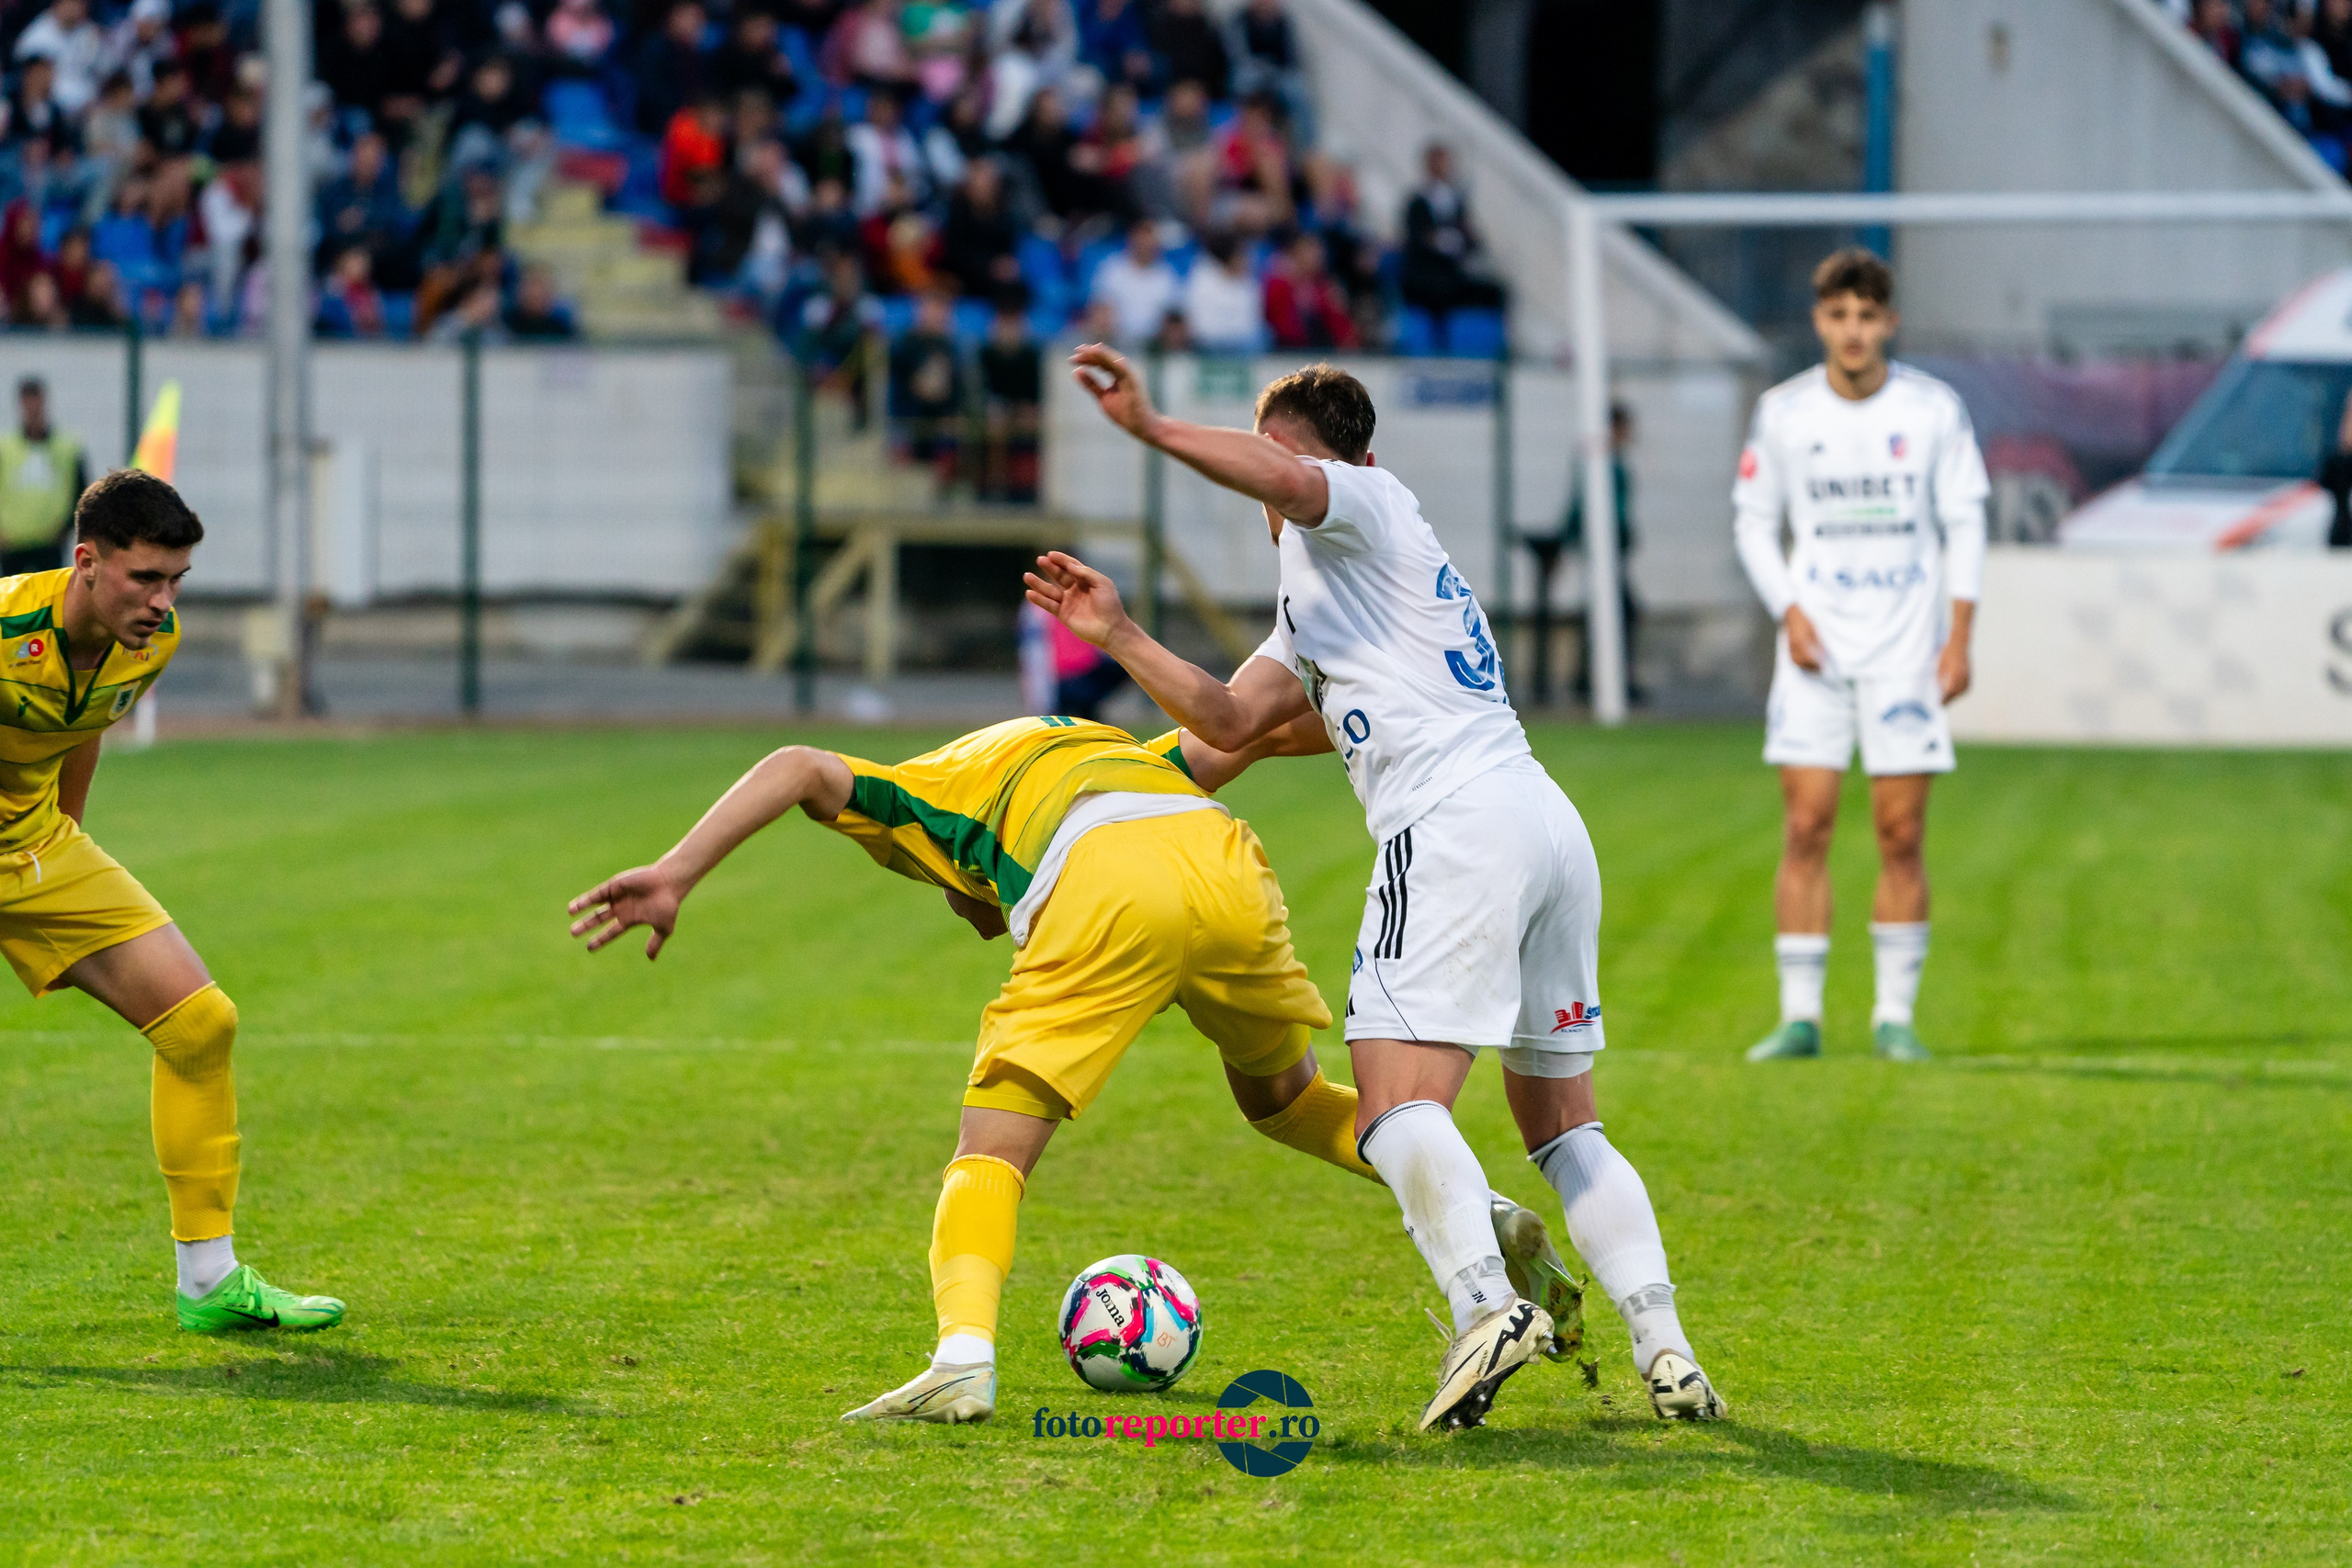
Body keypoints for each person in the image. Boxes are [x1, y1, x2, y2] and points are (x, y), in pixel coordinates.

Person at [1033, 350, 1725, 1428]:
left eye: (1279, 456)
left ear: (1336, 459)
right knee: (1561, 1124)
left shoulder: (1364, 504)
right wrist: (1116, 643)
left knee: (1394, 1103)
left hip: (1454, 829)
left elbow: (1293, 483)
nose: (1271, 480)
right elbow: (1227, 726)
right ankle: (1664, 1346)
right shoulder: (1325, 596)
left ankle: (1483, 1306)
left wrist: (1152, 428)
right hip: (1541, 823)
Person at [566, 716, 1577, 1425]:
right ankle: (1480, 1216)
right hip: (1224, 864)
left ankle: (961, 1361)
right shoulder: (1106, 748)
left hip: (1102, 883)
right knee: (1289, 1099)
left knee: (991, 1151)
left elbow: (797, 764)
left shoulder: (931, 793)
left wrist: (676, 872)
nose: (976, 921)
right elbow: (1248, 734)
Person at [0, 469, 345, 1333]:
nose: (162, 601)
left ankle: (208, 1280)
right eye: (145, 577)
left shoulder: (153, 642)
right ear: (87, 562)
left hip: (35, 848)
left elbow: (83, 727)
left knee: (200, 1025)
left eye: (176, 580)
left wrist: (65, 860)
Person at [1732, 249, 1987, 1065]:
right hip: (1815, 652)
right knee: (1806, 824)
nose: (1853, 331)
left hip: (1906, 650)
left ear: (1889, 323)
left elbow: (1966, 523)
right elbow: (1752, 521)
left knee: (1900, 831)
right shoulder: (1784, 413)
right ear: (1820, 320)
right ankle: (1800, 1018)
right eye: (1839, 315)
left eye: (1868, 316)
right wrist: (1790, 609)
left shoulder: (1934, 410)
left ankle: (1894, 1017)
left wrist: (1959, 636)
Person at [1561, 400, 1641, 705]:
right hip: (1603, 550)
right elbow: (1582, 505)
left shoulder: (1612, 462)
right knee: (1616, 612)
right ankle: (1599, 680)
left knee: (1615, 612)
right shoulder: (1600, 464)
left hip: (1612, 550)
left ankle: (1596, 678)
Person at [1, 378, 87, 578]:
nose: (32, 409)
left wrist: (66, 530)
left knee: (51, 594)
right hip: (12, 544)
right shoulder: (5, 448)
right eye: (28, 403)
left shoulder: (67, 447)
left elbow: (82, 492)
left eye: (36, 402)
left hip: (50, 544)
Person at [1087, 217, 1179, 346]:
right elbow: (1100, 308)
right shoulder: (1113, 269)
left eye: (1150, 240)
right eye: (1142, 239)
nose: (1146, 244)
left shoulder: (1167, 275)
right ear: (1132, 239)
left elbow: (1172, 315)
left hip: (1154, 344)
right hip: (1117, 339)